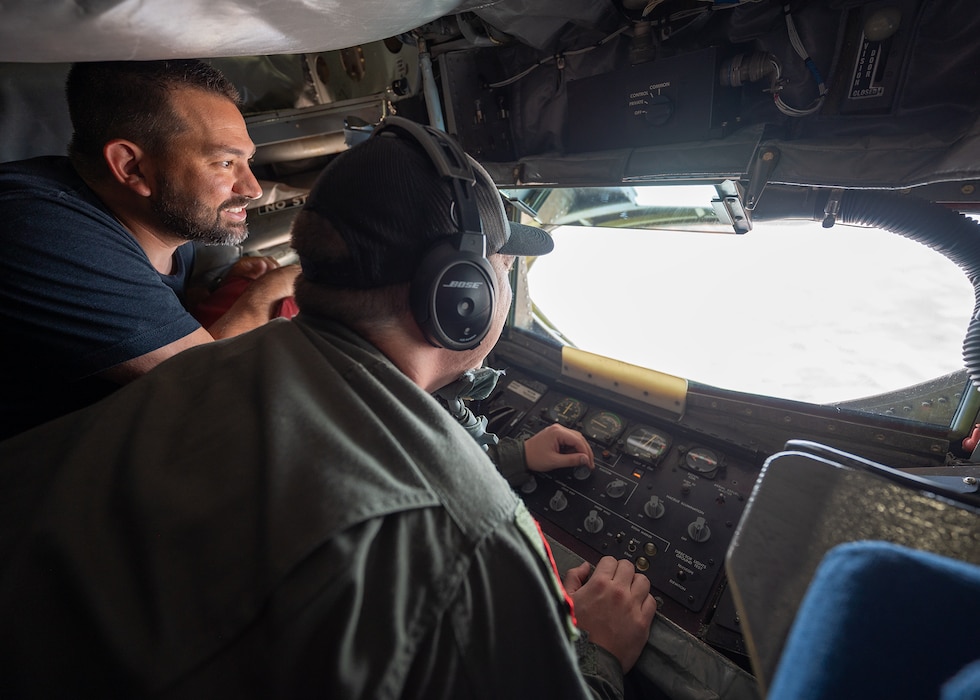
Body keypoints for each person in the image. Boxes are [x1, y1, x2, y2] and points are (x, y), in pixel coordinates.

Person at [0, 117, 656, 698]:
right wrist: (596, 654)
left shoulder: (227, 363)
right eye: (504, 272)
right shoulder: (467, 537)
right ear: (463, 298)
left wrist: (509, 456)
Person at [0, 60, 299, 441]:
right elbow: (211, 384)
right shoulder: (39, 229)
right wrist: (274, 288)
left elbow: (163, 315)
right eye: (225, 162)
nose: (253, 188)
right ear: (131, 167)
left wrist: (219, 287)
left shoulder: (162, 224)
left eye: (247, 161)